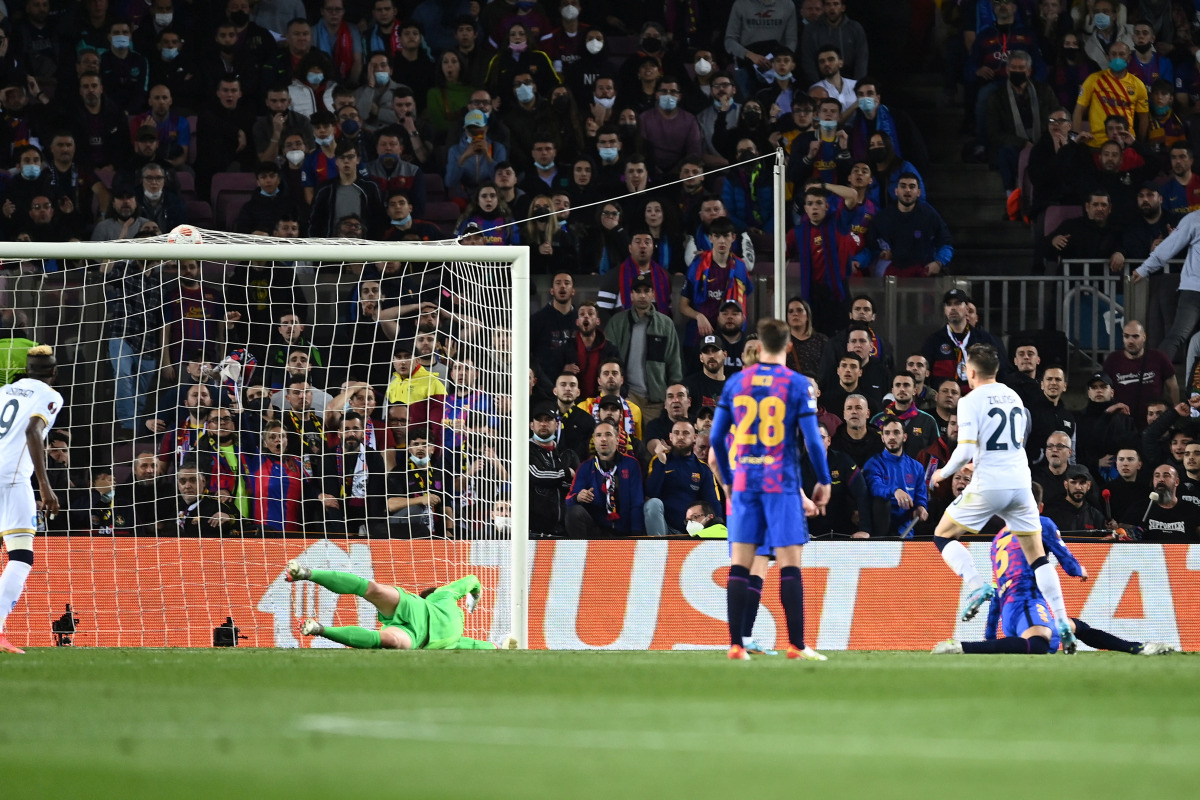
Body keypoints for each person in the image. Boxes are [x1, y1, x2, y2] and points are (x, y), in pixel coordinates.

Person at [930, 343, 1079, 653]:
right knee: (1037, 557)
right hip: (1021, 483)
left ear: (970, 372)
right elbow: (1012, 442)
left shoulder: (969, 401)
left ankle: (976, 585)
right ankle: (1062, 619)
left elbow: (964, 449)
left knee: (943, 535)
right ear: (996, 370)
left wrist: (943, 473)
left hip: (989, 484)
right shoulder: (1014, 397)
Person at [933, 484, 1176, 656]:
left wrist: (990, 634)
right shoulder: (1040, 523)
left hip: (1010, 612)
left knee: (1075, 626)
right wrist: (1079, 569)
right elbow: (1065, 558)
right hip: (1027, 603)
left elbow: (998, 590)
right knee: (1039, 645)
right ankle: (962, 647)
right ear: (1039, 507)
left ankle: (1138, 648)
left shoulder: (998, 540)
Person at [711, 317, 831, 662]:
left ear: (759, 346)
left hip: (745, 484)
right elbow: (812, 440)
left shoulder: (736, 382)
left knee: (740, 565)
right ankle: (796, 644)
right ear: (789, 346)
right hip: (781, 483)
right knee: (790, 565)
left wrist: (729, 482)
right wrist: (823, 480)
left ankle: (736, 645)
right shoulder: (797, 384)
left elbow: (716, 438)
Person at [287, 562, 516, 650]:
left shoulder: (456, 640)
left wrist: (499, 646)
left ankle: (319, 629)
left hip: (416, 636)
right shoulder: (442, 596)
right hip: (415, 609)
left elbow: (479, 646)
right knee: (373, 590)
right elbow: (473, 580)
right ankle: (306, 573)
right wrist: (474, 596)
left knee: (390, 640)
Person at [0, 346, 60, 654]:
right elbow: (33, 431)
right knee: (21, 556)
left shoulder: (3, 391)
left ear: (26, 369)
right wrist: (45, 487)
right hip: (12, 480)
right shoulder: (49, 395)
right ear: (53, 372)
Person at [1134, 210, 1200, 361]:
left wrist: (1144, 269)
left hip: (1193, 289)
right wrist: (1144, 269)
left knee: (1177, 336)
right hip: (1193, 291)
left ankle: (1154, 373)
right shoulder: (1194, 219)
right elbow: (1168, 247)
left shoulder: (1194, 219)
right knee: (1177, 336)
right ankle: (1155, 372)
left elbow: (1168, 247)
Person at [565, 421, 645, 537]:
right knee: (574, 512)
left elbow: (637, 502)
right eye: (598, 435)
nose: (603, 439)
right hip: (596, 531)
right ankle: (582, 549)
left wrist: (636, 536)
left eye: (608, 434)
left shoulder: (631, 464)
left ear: (617, 439)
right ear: (594, 440)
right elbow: (568, 501)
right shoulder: (585, 467)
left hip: (625, 532)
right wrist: (577, 497)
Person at [644, 419, 722, 537]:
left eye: (686, 433)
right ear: (670, 436)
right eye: (676, 433)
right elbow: (650, 493)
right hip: (664, 528)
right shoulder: (658, 460)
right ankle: (659, 546)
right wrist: (662, 463)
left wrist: (719, 530)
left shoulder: (703, 468)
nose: (680, 437)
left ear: (695, 437)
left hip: (693, 531)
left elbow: (713, 503)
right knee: (652, 503)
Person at [862, 418, 928, 537]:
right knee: (881, 501)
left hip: (906, 532)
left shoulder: (917, 467)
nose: (891, 437)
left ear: (905, 437)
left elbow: (921, 497)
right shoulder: (873, 463)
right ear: (882, 438)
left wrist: (921, 507)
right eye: (887, 433)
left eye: (896, 432)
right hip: (879, 533)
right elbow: (875, 487)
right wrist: (895, 491)